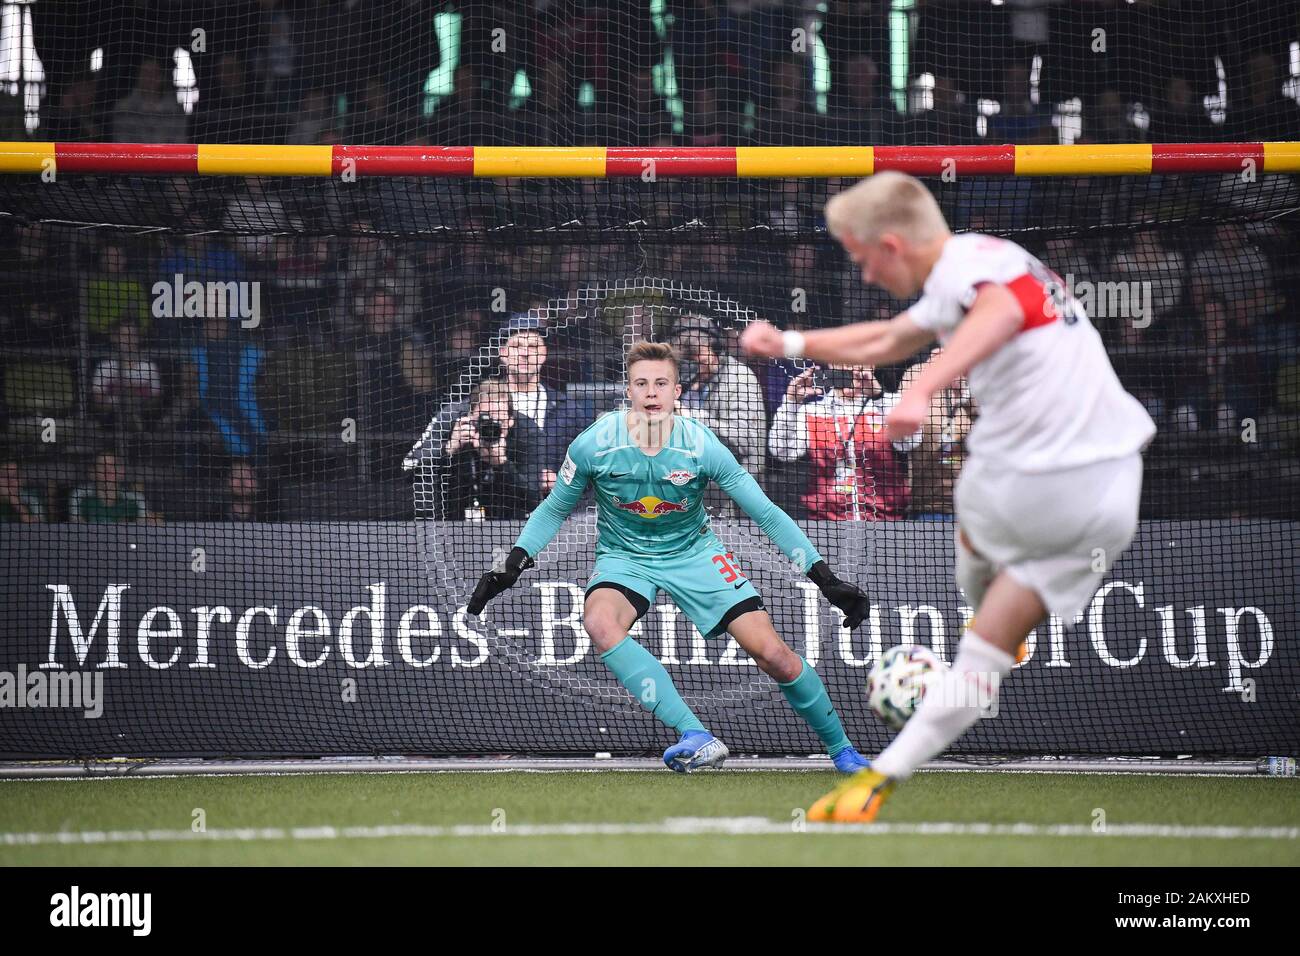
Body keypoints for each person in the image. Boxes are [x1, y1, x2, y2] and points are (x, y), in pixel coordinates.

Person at [741, 171, 1155, 820]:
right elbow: (887, 340)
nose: (867, 278)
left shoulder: (970, 268)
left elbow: (1003, 310)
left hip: (1035, 481)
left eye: (861, 261)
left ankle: (981, 597)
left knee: (971, 497)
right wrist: (790, 344)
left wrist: (923, 389)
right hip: (1112, 499)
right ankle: (878, 779)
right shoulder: (983, 260)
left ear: (890, 245)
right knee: (981, 658)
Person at [466, 340, 874, 775]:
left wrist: (824, 577)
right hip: (624, 556)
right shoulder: (594, 444)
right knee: (600, 621)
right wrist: (514, 560)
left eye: (662, 383)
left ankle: (843, 751)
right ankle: (694, 733)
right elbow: (553, 509)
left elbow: (767, 514)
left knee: (773, 654)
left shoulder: (702, 446)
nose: (652, 392)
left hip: (694, 552)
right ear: (628, 391)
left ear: (677, 393)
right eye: (642, 383)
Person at [768, 363, 918, 520]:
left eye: (854, 361)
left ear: (871, 365)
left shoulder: (889, 403)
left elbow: (911, 442)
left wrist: (878, 397)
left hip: (885, 523)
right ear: (831, 365)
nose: (849, 368)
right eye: (842, 362)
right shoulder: (812, 411)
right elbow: (782, 452)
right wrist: (791, 402)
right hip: (827, 524)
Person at [438, 379, 541, 520]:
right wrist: (449, 449)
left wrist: (502, 464)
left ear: (511, 420)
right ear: (471, 417)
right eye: (485, 420)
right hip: (455, 523)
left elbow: (533, 500)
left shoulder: (527, 432)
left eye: (499, 422)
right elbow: (411, 470)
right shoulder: (453, 424)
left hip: (508, 524)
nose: (491, 428)